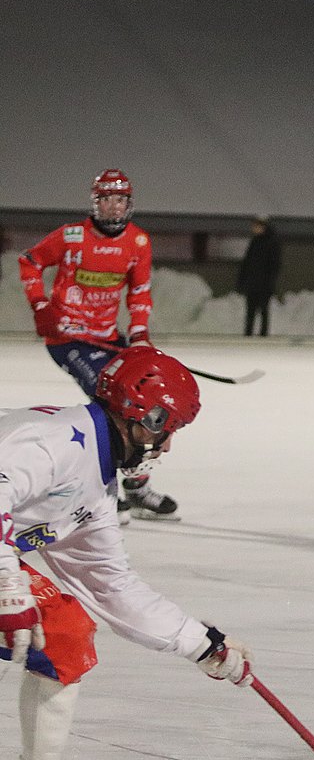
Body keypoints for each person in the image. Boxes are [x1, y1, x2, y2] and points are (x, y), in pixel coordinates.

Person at [0, 346, 254, 760]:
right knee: (37, 625)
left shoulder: (94, 483)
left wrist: (202, 644)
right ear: (145, 418)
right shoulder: (52, 445)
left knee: (65, 632)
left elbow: (111, 584)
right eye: (167, 429)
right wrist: (9, 592)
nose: (166, 445)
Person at [15, 170, 180, 520]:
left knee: (146, 398)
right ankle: (104, 491)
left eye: (119, 200)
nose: (113, 207)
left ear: (129, 204)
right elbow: (29, 262)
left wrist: (138, 335)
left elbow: (139, 293)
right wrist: (40, 307)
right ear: (96, 202)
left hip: (107, 338)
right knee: (111, 405)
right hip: (68, 339)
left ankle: (137, 487)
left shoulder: (138, 242)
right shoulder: (72, 236)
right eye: (106, 199)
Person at [235, 215, 282, 337]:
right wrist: (242, 281)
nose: (253, 228)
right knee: (250, 311)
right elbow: (247, 263)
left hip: (264, 285)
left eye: (256, 226)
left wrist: (270, 282)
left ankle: (263, 335)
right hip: (252, 284)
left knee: (263, 310)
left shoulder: (272, 242)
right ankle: (248, 334)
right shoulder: (255, 242)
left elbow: (274, 265)